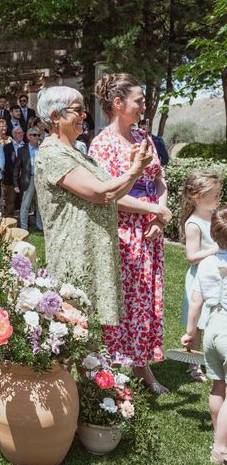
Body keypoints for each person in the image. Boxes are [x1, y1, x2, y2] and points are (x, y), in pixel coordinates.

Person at [34, 86, 154, 339]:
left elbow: (113, 192)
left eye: (84, 109)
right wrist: (134, 170)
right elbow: (101, 193)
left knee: (87, 329)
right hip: (75, 253)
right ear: (55, 116)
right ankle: (77, 377)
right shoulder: (53, 153)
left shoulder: (74, 150)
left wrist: (133, 169)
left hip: (91, 250)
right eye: (78, 110)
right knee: (72, 325)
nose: (84, 116)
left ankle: (91, 375)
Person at [89, 73, 172, 394]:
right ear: (118, 104)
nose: (143, 105)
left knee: (147, 300)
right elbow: (111, 195)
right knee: (125, 303)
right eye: (138, 100)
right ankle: (116, 366)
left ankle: (141, 364)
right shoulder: (103, 144)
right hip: (124, 234)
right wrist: (154, 211)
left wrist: (160, 217)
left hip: (151, 231)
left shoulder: (143, 138)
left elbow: (159, 180)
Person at [181, 207, 227, 465]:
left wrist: (190, 333)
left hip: (210, 332)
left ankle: (220, 433)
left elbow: (195, 300)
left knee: (218, 386)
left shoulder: (206, 263)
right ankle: (220, 449)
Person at [179, 172, 222, 382]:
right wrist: (214, 249)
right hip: (199, 279)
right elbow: (191, 256)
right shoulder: (194, 223)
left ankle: (212, 356)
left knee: (212, 318)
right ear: (198, 197)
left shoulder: (215, 216)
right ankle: (193, 365)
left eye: (219, 194)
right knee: (195, 323)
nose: (218, 199)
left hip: (216, 275)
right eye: (214, 195)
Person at [14, 127, 43, 231]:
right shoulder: (22, 150)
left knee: (40, 204)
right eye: (34, 135)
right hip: (28, 179)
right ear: (29, 137)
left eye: (38, 135)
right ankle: (24, 227)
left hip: (40, 179)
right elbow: (17, 168)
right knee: (25, 204)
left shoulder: (42, 148)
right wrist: (16, 184)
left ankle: (40, 225)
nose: (37, 137)